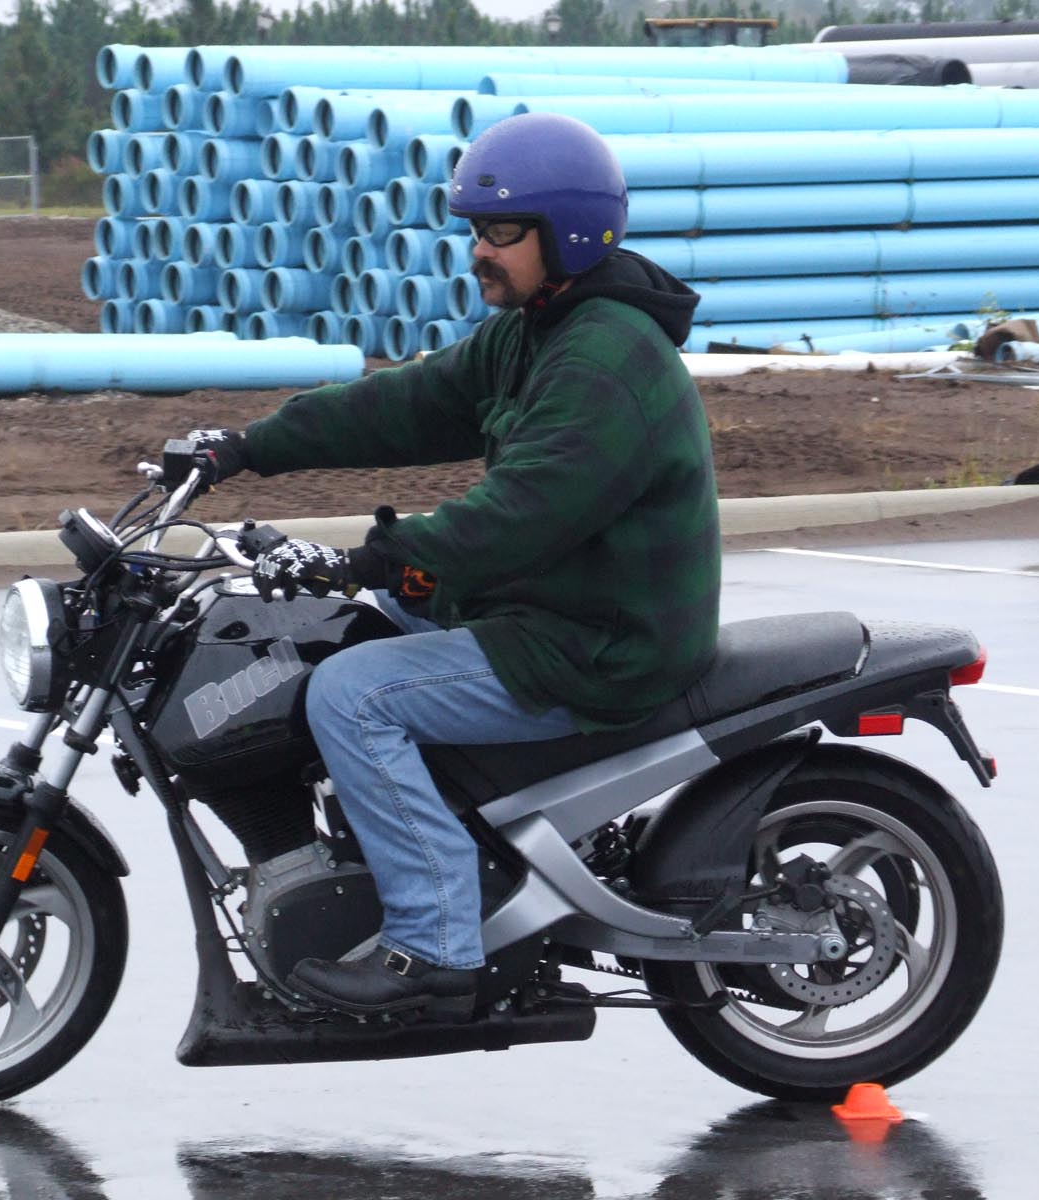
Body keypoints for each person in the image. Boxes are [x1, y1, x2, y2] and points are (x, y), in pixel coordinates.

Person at [182, 112, 720, 1021]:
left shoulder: (606, 358)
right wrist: (246, 447)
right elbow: (408, 402)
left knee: (352, 695)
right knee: (317, 639)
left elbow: (520, 517)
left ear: (569, 233)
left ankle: (435, 949)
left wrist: (374, 561)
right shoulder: (536, 331)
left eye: (500, 231)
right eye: (474, 229)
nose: (479, 251)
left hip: (596, 643)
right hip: (542, 608)